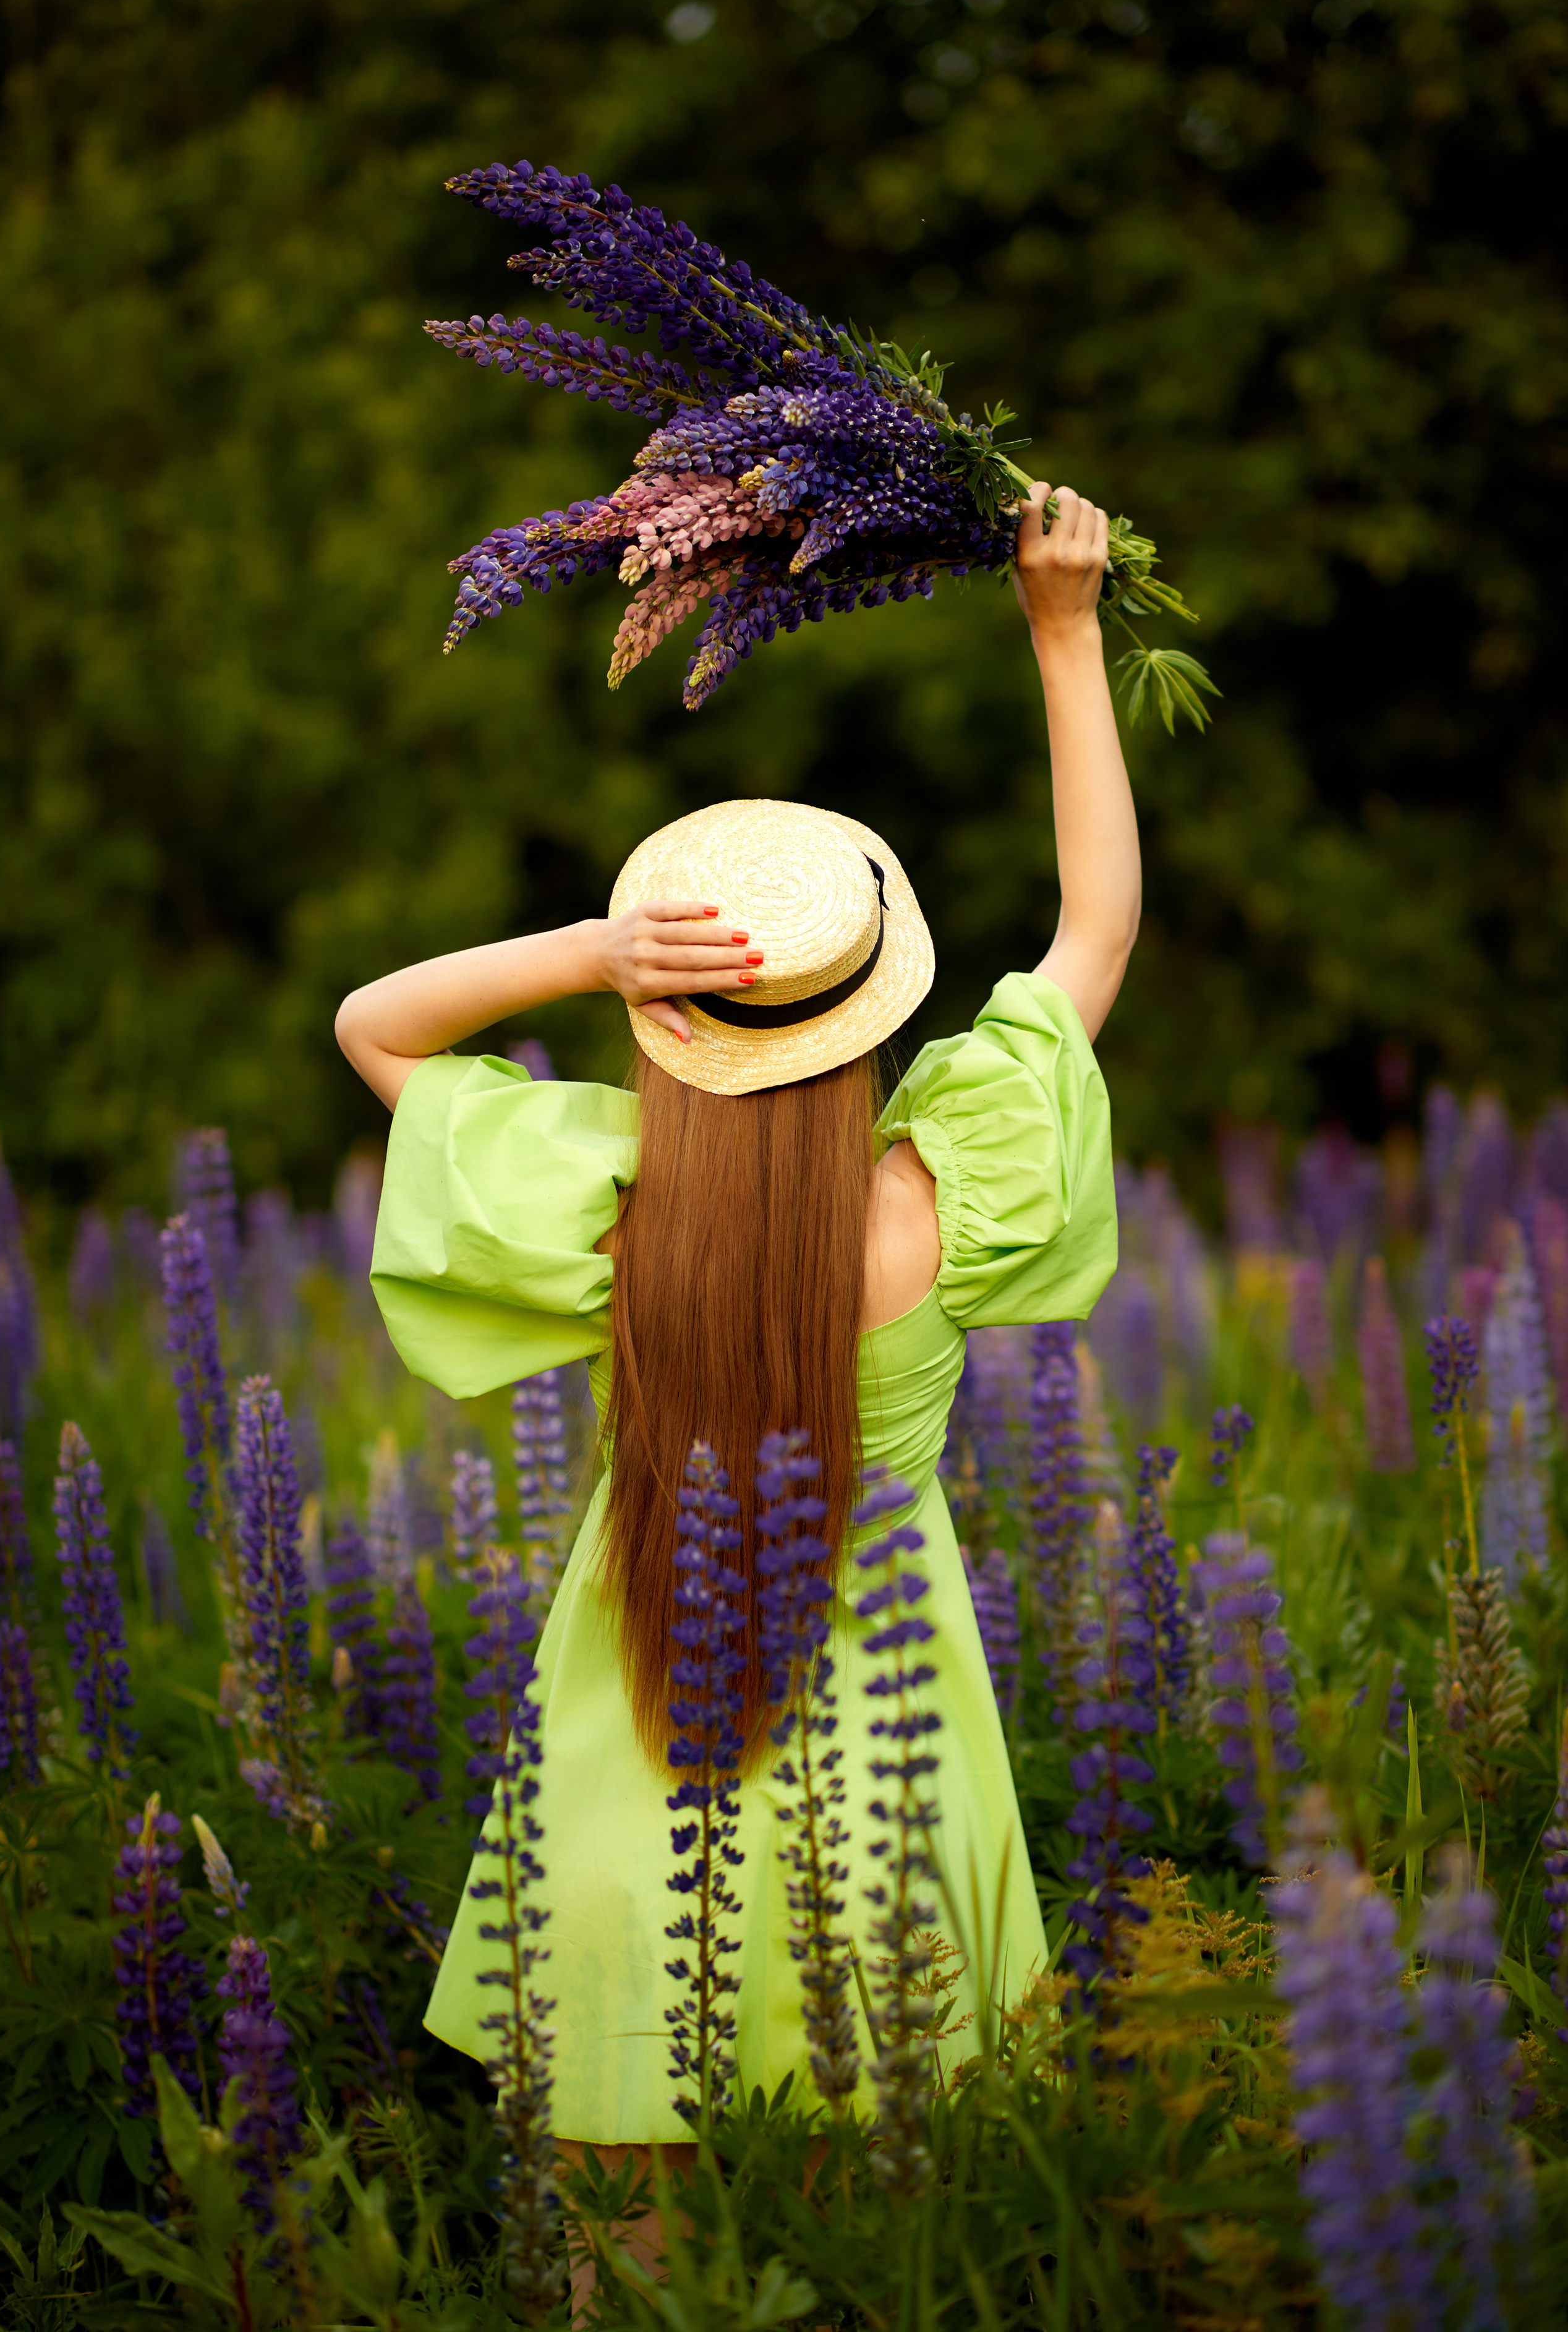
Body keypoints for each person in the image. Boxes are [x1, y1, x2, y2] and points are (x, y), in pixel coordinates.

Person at [335, 482, 1138, 2309]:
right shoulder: (944, 1198)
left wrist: (594, 954)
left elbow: (375, 1025)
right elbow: (1095, 927)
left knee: (618, 2265)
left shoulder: (617, 1216)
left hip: (640, 1753)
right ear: (876, 1014)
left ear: (675, 1029)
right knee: (869, 2258)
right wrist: (1063, 632)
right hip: (894, 1784)